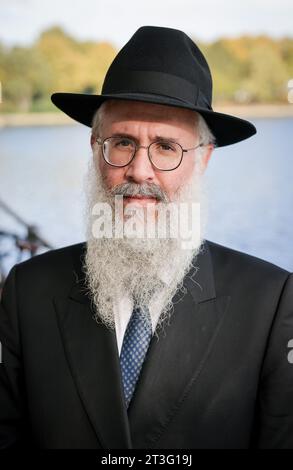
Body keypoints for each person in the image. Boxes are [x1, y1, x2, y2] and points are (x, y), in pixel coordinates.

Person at [0, 25, 292, 450]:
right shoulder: (27, 291)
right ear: (94, 147)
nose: (140, 170)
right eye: (122, 143)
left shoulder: (272, 302)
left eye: (166, 147)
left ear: (203, 158)